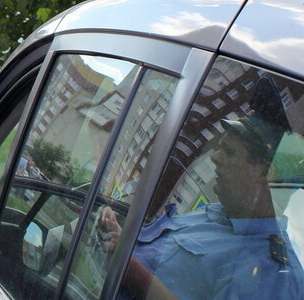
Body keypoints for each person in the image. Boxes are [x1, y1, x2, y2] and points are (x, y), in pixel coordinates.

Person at [100, 112, 304, 299]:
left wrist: (131, 270)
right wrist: (121, 240)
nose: (215, 158)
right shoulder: (215, 213)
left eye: (229, 152)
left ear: (265, 173)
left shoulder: (275, 274)